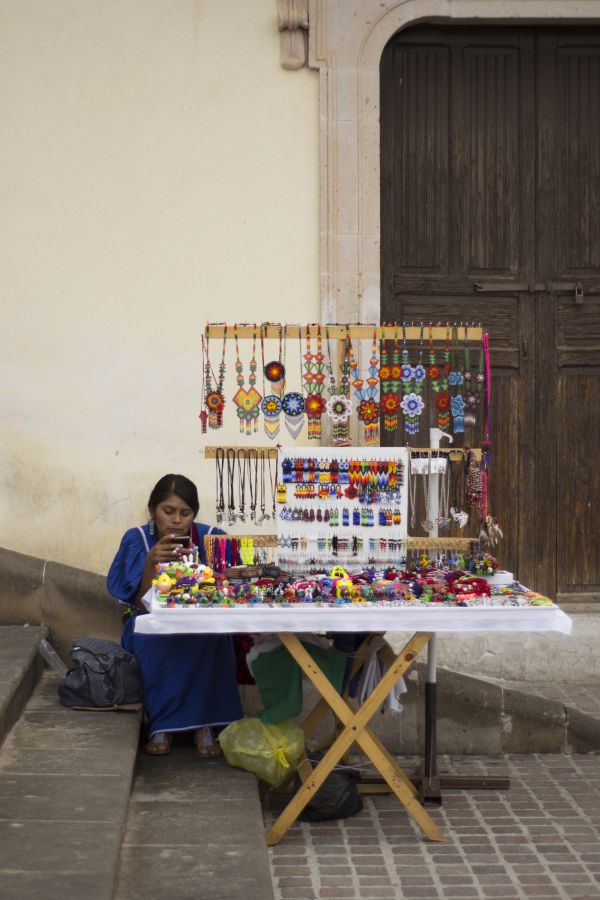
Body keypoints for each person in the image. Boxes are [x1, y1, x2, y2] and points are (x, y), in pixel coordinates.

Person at [107, 473, 243, 756]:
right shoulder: (138, 540)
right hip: (151, 620)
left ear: (194, 514)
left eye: (185, 513)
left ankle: (203, 724)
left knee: (213, 636)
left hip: (201, 621)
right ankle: (162, 724)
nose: (176, 520)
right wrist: (149, 564)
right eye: (168, 511)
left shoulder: (212, 539)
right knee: (149, 636)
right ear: (153, 510)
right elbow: (137, 605)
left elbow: (231, 591)